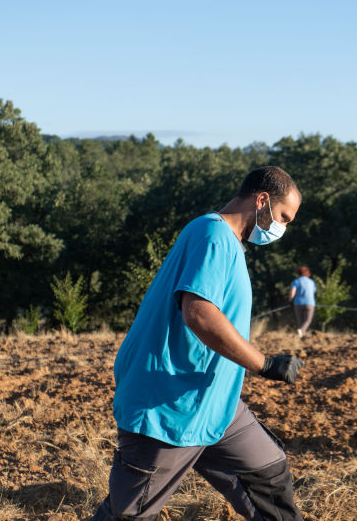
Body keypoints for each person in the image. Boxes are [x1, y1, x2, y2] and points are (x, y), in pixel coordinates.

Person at [90, 166, 306, 521]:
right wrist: (265, 364)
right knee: (128, 514)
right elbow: (199, 314)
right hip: (169, 404)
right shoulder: (214, 235)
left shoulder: (224, 240)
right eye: (283, 217)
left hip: (214, 402)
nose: (282, 228)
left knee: (270, 475)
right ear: (262, 200)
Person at [289, 266, 316, 337]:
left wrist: (290, 300)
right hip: (309, 303)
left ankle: (301, 336)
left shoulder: (296, 281)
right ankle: (301, 332)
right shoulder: (311, 282)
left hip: (298, 303)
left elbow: (293, 292)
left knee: (300, 322)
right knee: (307, 321)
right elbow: (313, 292)